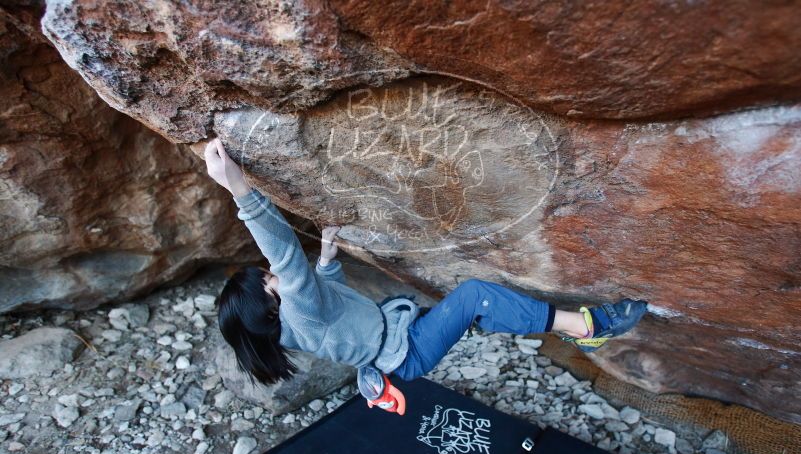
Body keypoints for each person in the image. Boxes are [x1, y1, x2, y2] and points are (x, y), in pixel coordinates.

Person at [204, 138, 648, 416]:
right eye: (270, 280)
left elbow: (332, 302)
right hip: (407, 351)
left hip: (397, 334)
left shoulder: (298, 322)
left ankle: (494, 319)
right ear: (270, 305)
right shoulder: (299, 315)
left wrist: (326, 262)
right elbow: (282, 254)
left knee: (473, 308)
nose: (277, 275)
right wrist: (240, 188)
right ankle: (587, 328)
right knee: (476, 296)